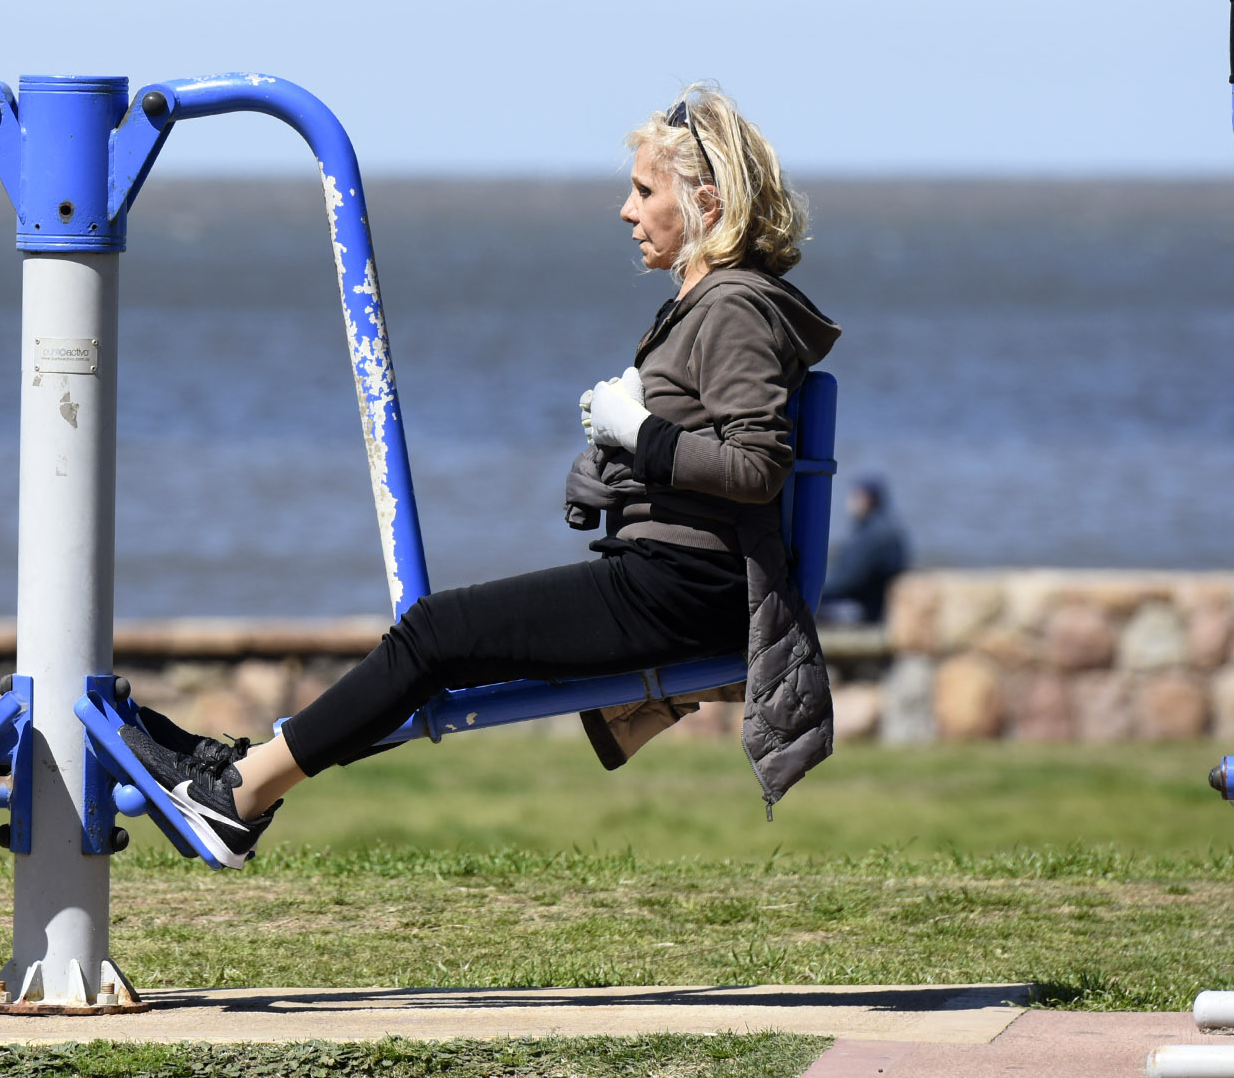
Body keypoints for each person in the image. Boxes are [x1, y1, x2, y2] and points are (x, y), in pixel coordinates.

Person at [124, 85, 842, 865]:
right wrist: (618, 467)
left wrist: (641, 435)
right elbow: (705, 456)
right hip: (675, 572)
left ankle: (236, 794)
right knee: (440, 651)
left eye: (643, 190)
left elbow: (756, 467)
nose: (626, 211)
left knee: (436, 636)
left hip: (685, 586)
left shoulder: (732, 306)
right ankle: (241, 774)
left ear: (704, 200)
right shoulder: (706, 304)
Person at [817, 478, 910, 628]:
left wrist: (809, 590)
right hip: (879, 607)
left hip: (864, 610)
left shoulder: (874, 536)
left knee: (806, 607)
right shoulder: (883, 527)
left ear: (867, 500)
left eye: (855, 496)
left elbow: (845, 581)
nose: (849, 501)